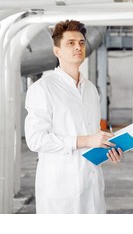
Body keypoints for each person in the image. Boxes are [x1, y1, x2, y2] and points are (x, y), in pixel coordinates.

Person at [24, 19, 123, 214]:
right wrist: (87, 140)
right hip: (60, 187)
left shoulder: (90, 89)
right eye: (71, 43)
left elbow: (91, 134)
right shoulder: (42, 89)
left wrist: (108, 148)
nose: (78, 47)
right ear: (57, 51)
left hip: (91, 184)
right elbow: (36, 140)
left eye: (81, 43)